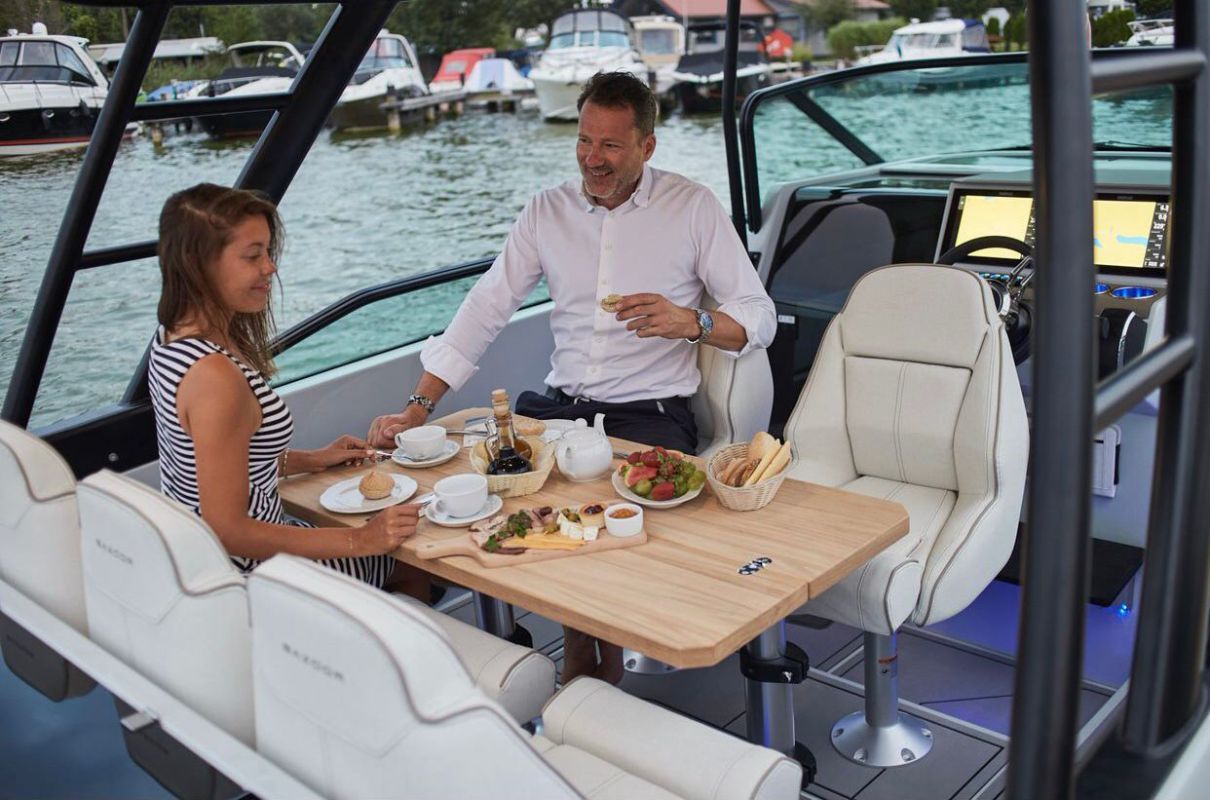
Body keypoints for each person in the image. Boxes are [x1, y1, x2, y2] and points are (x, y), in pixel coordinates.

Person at [367, 72, 777, 682]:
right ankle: (437, 662)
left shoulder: (692, 207)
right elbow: (485, 308)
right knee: (442, 496)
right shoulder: (546, 210)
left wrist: (691, 322)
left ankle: (587, 667)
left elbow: (759, 317)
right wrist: (416, 408)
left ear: (647, 146)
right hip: (556, 410)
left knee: (592, 533)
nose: (593, 158)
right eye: (584, 140)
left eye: (611, 144)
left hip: (648, 416)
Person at [149, 183, 427, 596]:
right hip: (255, 577)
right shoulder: (214, 377)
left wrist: (313, 459)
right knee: (415, 558)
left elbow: (223, 459)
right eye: (252, 256)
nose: (270, 268)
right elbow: (227, 530)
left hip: (215, 561)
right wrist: (361, 540)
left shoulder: (171, 339)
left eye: (268, 252)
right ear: (198, 264)